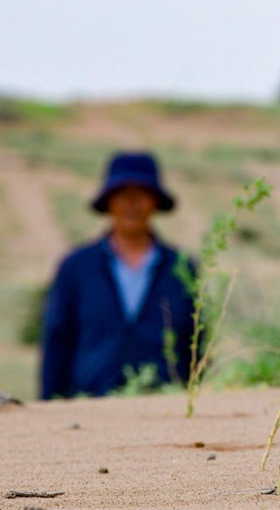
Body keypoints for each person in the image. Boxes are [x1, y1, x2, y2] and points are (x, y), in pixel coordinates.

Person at [40, 151, 196, 399]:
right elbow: (57, 342)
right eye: (123, 194)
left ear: (155, 201)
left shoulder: (181, 268)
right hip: (89, 405)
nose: (132, 203)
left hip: (164, 405)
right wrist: (48, 406)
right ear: (108, 201)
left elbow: (195, 343)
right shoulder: (76, 267)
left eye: (142, 194)